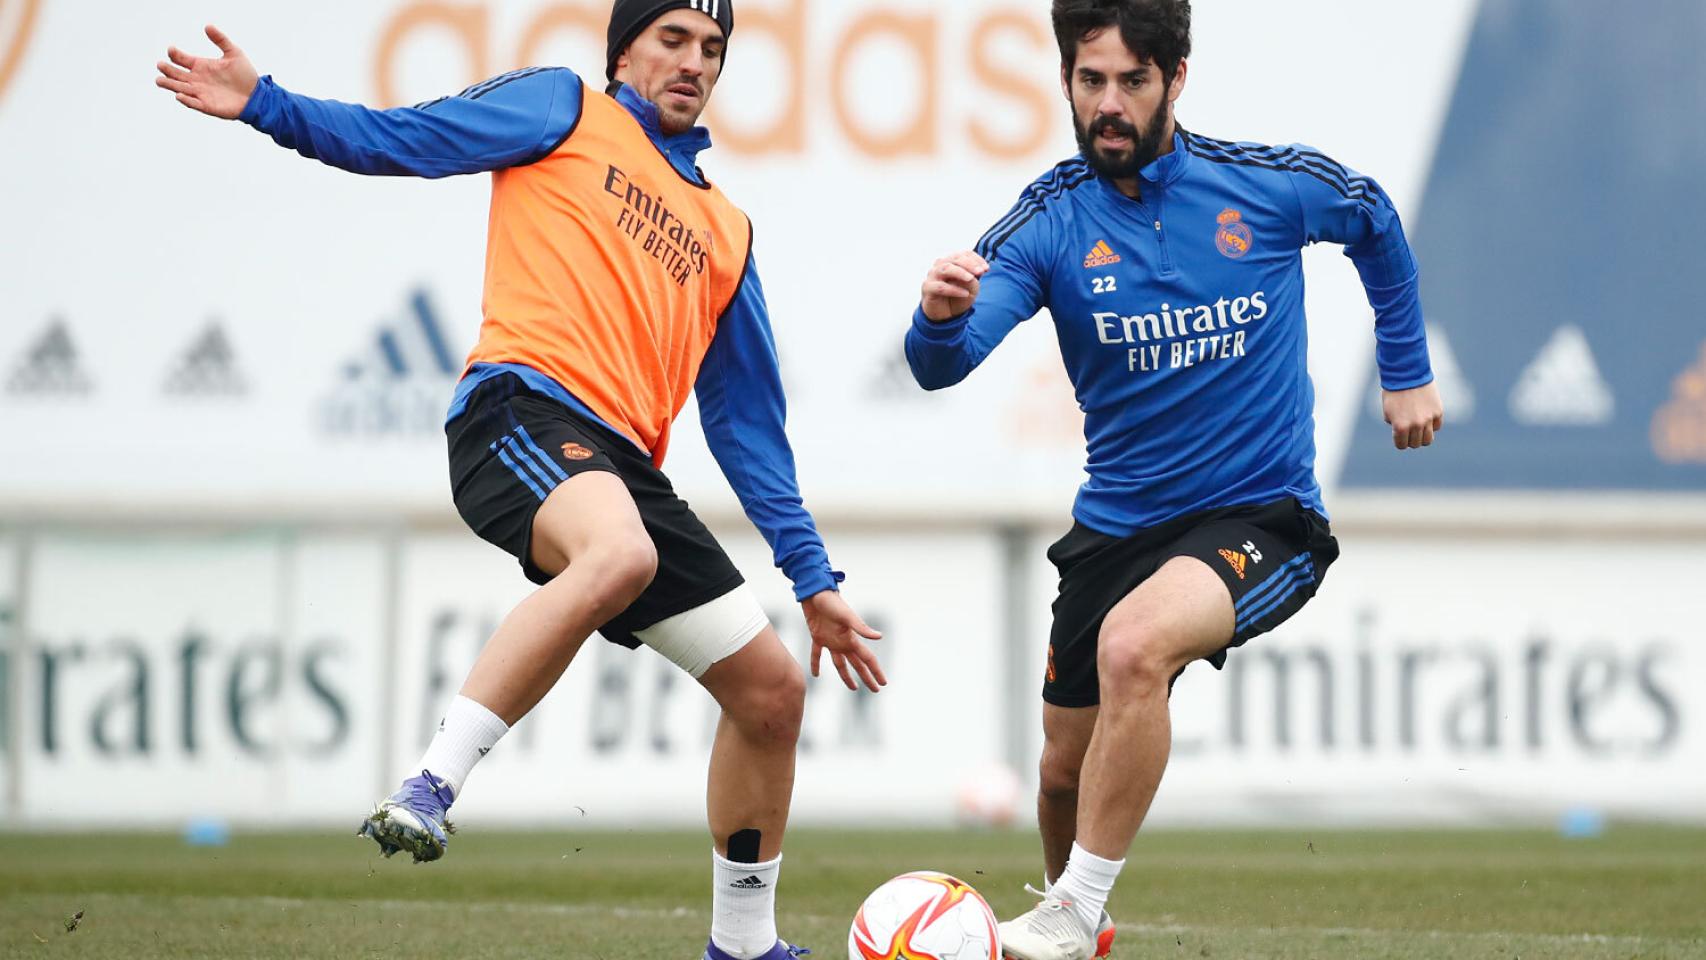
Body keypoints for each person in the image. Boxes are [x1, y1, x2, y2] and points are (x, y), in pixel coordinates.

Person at [156, 3, 884, 958]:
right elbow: (404, 140)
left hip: (620, 464)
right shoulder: (564, 108)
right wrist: (268, 105)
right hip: (518, 411)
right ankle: (430, 783)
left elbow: (750, 429)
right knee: (618, 550)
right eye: (672, 39)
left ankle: (743, 945)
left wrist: (814, 582)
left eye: (712, 50)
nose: (694, 63)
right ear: (624, 48)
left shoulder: (727, 231)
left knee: (772, 692)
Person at [904, 1, 1442, 957]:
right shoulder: (1049, 222)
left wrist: (1405, 369)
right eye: (1089, 82)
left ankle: (1072, 913)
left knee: (1133, 648)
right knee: (1062, 772)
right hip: (1116, 532)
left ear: (1176, 78)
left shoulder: (1264, 186)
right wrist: (940, 318)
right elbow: (944, 363)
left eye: (1131, 82)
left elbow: (1372, 217)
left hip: (1262, 516)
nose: (1108, 105)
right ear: (1066, 80)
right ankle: (1080, 928)